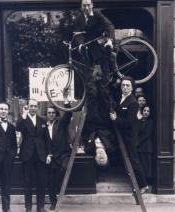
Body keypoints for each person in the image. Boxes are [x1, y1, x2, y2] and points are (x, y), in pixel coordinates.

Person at [74, 0, 117, 167]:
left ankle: (107, 87)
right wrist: (79, 45)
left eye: (88, 5)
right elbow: (77, 34)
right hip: (89, 51)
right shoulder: (79, 19)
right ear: (81, 7)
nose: (87, 8)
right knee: (91, 85)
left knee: (105, 83)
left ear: (92, 5)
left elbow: (110, 26)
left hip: (101, 47)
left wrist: (110, 40)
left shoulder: (97, 15)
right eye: (84, 5)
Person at [109, 76, 149, 193]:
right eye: (123, 85)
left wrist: (116, 119)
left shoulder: (133, 102)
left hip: (130, 136)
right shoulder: (121, 97)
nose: (124, 87)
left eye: (127, 86)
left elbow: (130, 123)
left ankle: (143, 185)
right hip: (122, 135)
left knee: (133, 160)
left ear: (131, 88)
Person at [16, 99, 49, 212]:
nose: (33, 108)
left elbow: (47, 139)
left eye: (35, 106)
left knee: (41, 182)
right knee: (27, 182)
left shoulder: (42, 120)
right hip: (27, 155)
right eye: (31, 106)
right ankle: (28, 207)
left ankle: (41, 207)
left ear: (38, 107)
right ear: (28, 107)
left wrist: (49, 153)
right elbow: (18, 127)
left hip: (41, 155)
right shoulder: (23, 120)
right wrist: (24, 115)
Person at [44, 92, 72, 210]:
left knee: (62, 172)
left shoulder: (61, 123)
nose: (51, 115)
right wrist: (48, 154)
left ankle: (61, 194)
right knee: (50, 182)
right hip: (51, 157)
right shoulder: (43, 126)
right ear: (46, 114)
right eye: (49, 113)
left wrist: (65, 100)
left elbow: (69, 113)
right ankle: (53, 202)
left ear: (56, 114)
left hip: (63, 155)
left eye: (53, 113)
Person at [137, 105, 154, 186]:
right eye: (144, 111)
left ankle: (148, 184)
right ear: (142, 111)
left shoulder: (150, 122)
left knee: (148, 167)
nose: (146, 112)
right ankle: (142, 183)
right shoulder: (139, 121)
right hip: (140, 148)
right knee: (141, 166)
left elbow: (146, 134)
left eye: (148, 111)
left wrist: (137, 143)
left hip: (147, 147)